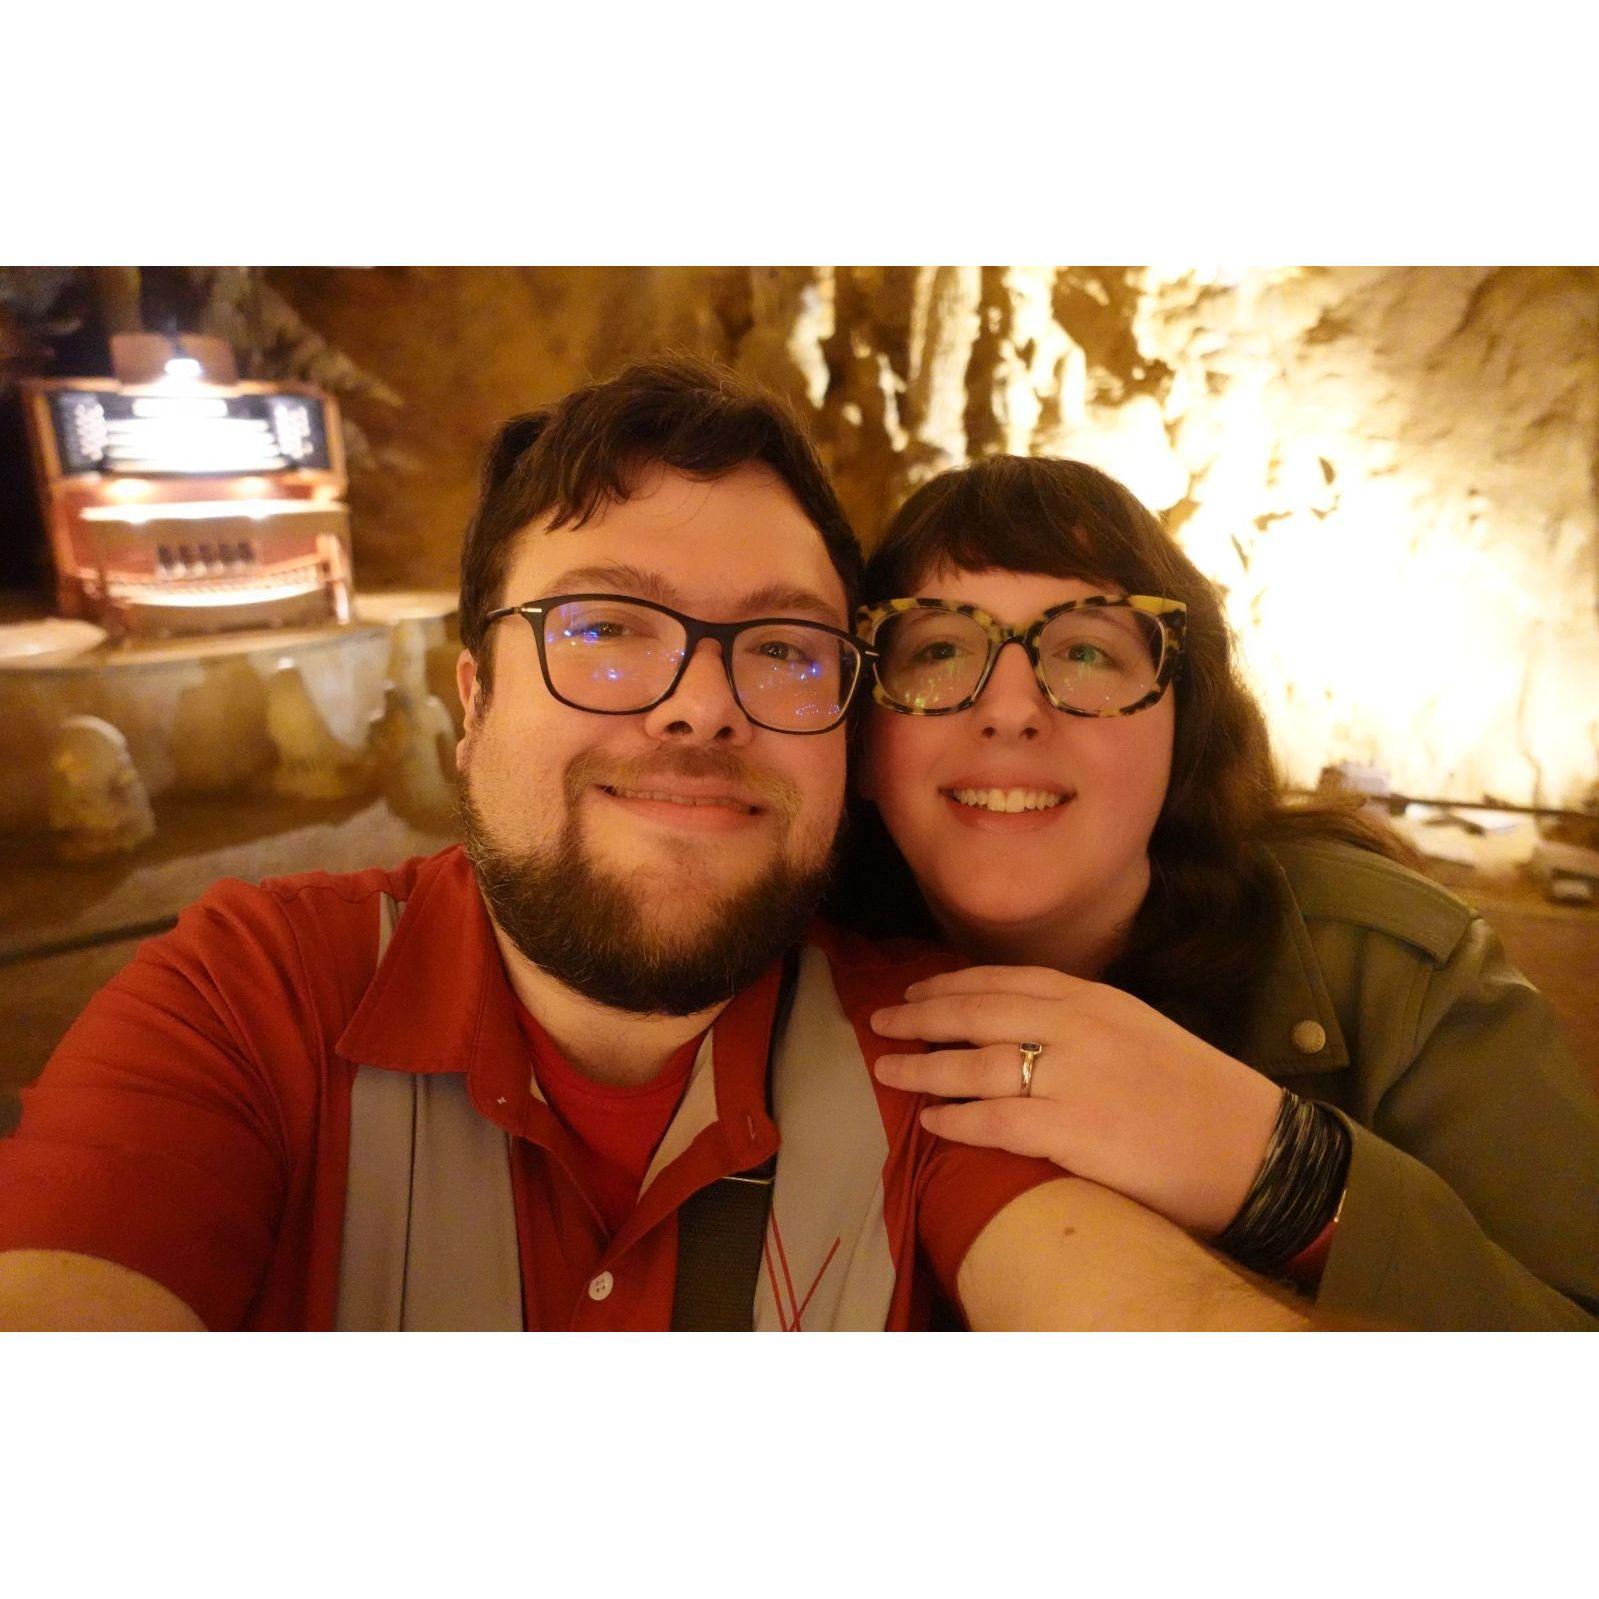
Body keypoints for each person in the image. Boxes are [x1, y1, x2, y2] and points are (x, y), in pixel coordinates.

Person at [0, 359, 1320, 1332]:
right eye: (602, 629)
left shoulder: (934, 1050)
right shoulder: (248, 1001)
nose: (700, 704)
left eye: (784, 647)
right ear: (471, 699)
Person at [834, 453, 1599, 1332]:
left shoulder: (1394, 977)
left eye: (1085, 651)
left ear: (1183, 726)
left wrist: (1287, 1176)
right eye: (937, 649)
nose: (1010, 709)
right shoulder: (776, 974)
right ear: (862, 740)